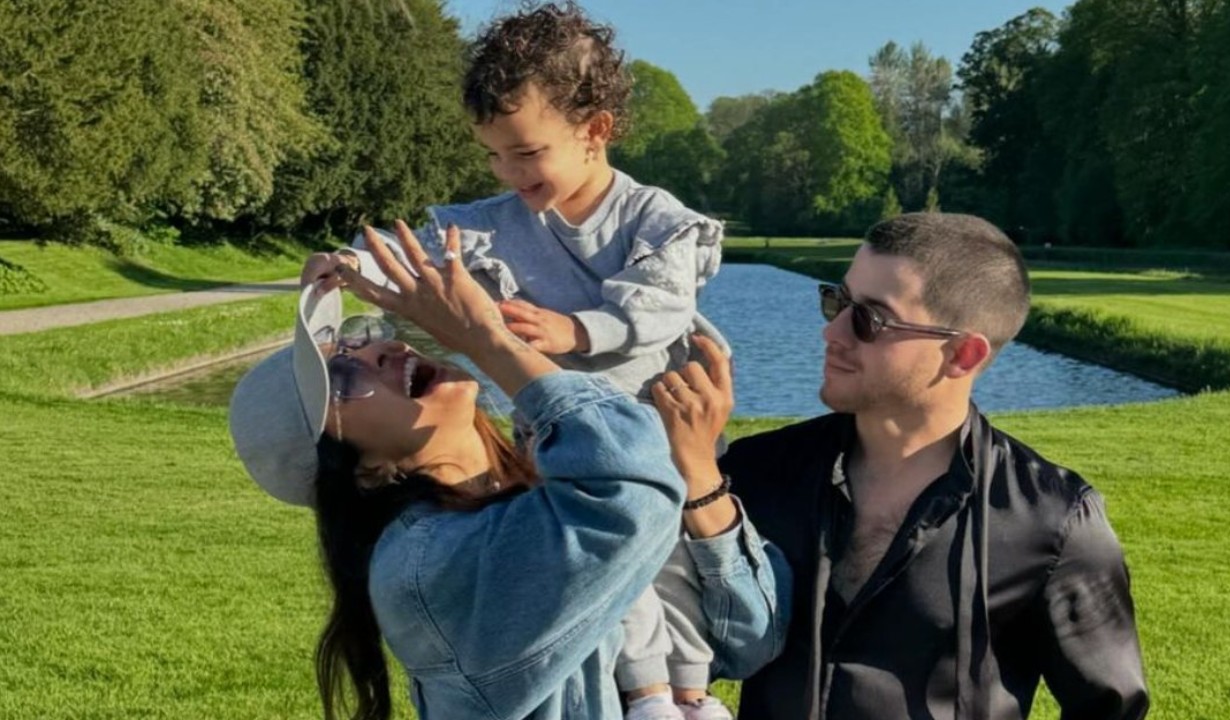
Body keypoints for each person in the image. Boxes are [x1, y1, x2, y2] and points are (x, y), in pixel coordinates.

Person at [303, 4, 736, 718]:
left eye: (527, 153)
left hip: (649, 428)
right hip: (558, 439)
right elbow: (423, 253)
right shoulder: (500, 220)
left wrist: (576, 330)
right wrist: (349, 263)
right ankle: (650, 696)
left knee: (669, 570)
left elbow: (662, 305)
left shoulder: (654, 220)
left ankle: (686, 694)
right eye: (494, 155)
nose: (509, 172)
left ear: (594, 131)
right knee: (607, 583)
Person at [228, 223, 788, 720]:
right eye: (344, 382)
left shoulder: (541, 479)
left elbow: (749, 639)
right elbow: (629, 501)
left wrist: (696, 474)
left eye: (360, 340)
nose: (383, 350)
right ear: (365, 471)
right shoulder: (429, 568)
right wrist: (488, 338)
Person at [708, 213, 1149, 719]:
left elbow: (1111, 709)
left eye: (870, 318)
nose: (832, 331)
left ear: (963, 354)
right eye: (837, 300)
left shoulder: (1052, 521)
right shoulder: (757, 472)